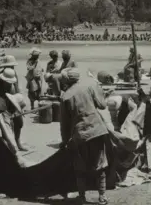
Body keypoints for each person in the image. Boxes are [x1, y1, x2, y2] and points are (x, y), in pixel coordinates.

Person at [59, 68, 109, 205]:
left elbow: (65, 124)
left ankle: (82, 198)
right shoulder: (89, 87)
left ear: (66, 81)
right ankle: (102, 196)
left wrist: (64, 141)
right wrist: (104, 94)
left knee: (80, 167)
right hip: (97, 130)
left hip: (80, 135)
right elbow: (102, 105)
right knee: (99, 165)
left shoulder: (66, 96)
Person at [0, 68, 28, 151]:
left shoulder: (12, 86)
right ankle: (6, 146)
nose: (9, 83)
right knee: (5, 127)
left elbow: (14, 98)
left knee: (19, 122)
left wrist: (16, 111)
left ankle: (18, 142)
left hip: (9, 106)